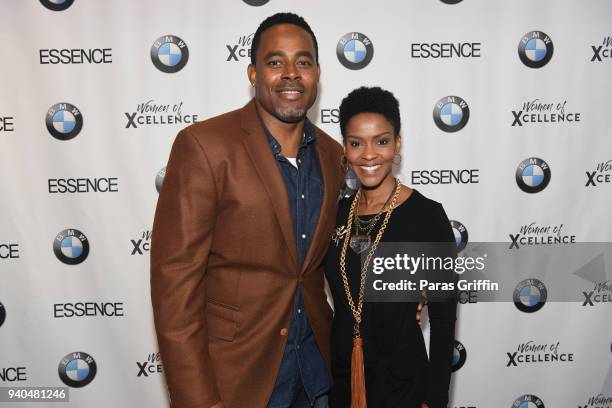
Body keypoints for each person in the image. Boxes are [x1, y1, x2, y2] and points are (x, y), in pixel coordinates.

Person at [150, 13, 345, 408]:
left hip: (316, 376)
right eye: (276, 62)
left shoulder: (332, 154)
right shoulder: (205, 146)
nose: (291, 74)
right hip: (237, 381)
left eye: (303, 62)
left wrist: (401, 295)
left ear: (317, 73)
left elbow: (342, 256)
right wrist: (198, 400)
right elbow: (175, 288)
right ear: (254, 73)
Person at [324, 87, 457, 408]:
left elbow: (442, 319)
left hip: (404, 384)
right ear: (345, 148)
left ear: (397, 144)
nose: (369, 154)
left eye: (381, 141)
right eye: (356, 143)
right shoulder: (336, 214)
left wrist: (435, 398)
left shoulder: (427, 215)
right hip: (342, 380)